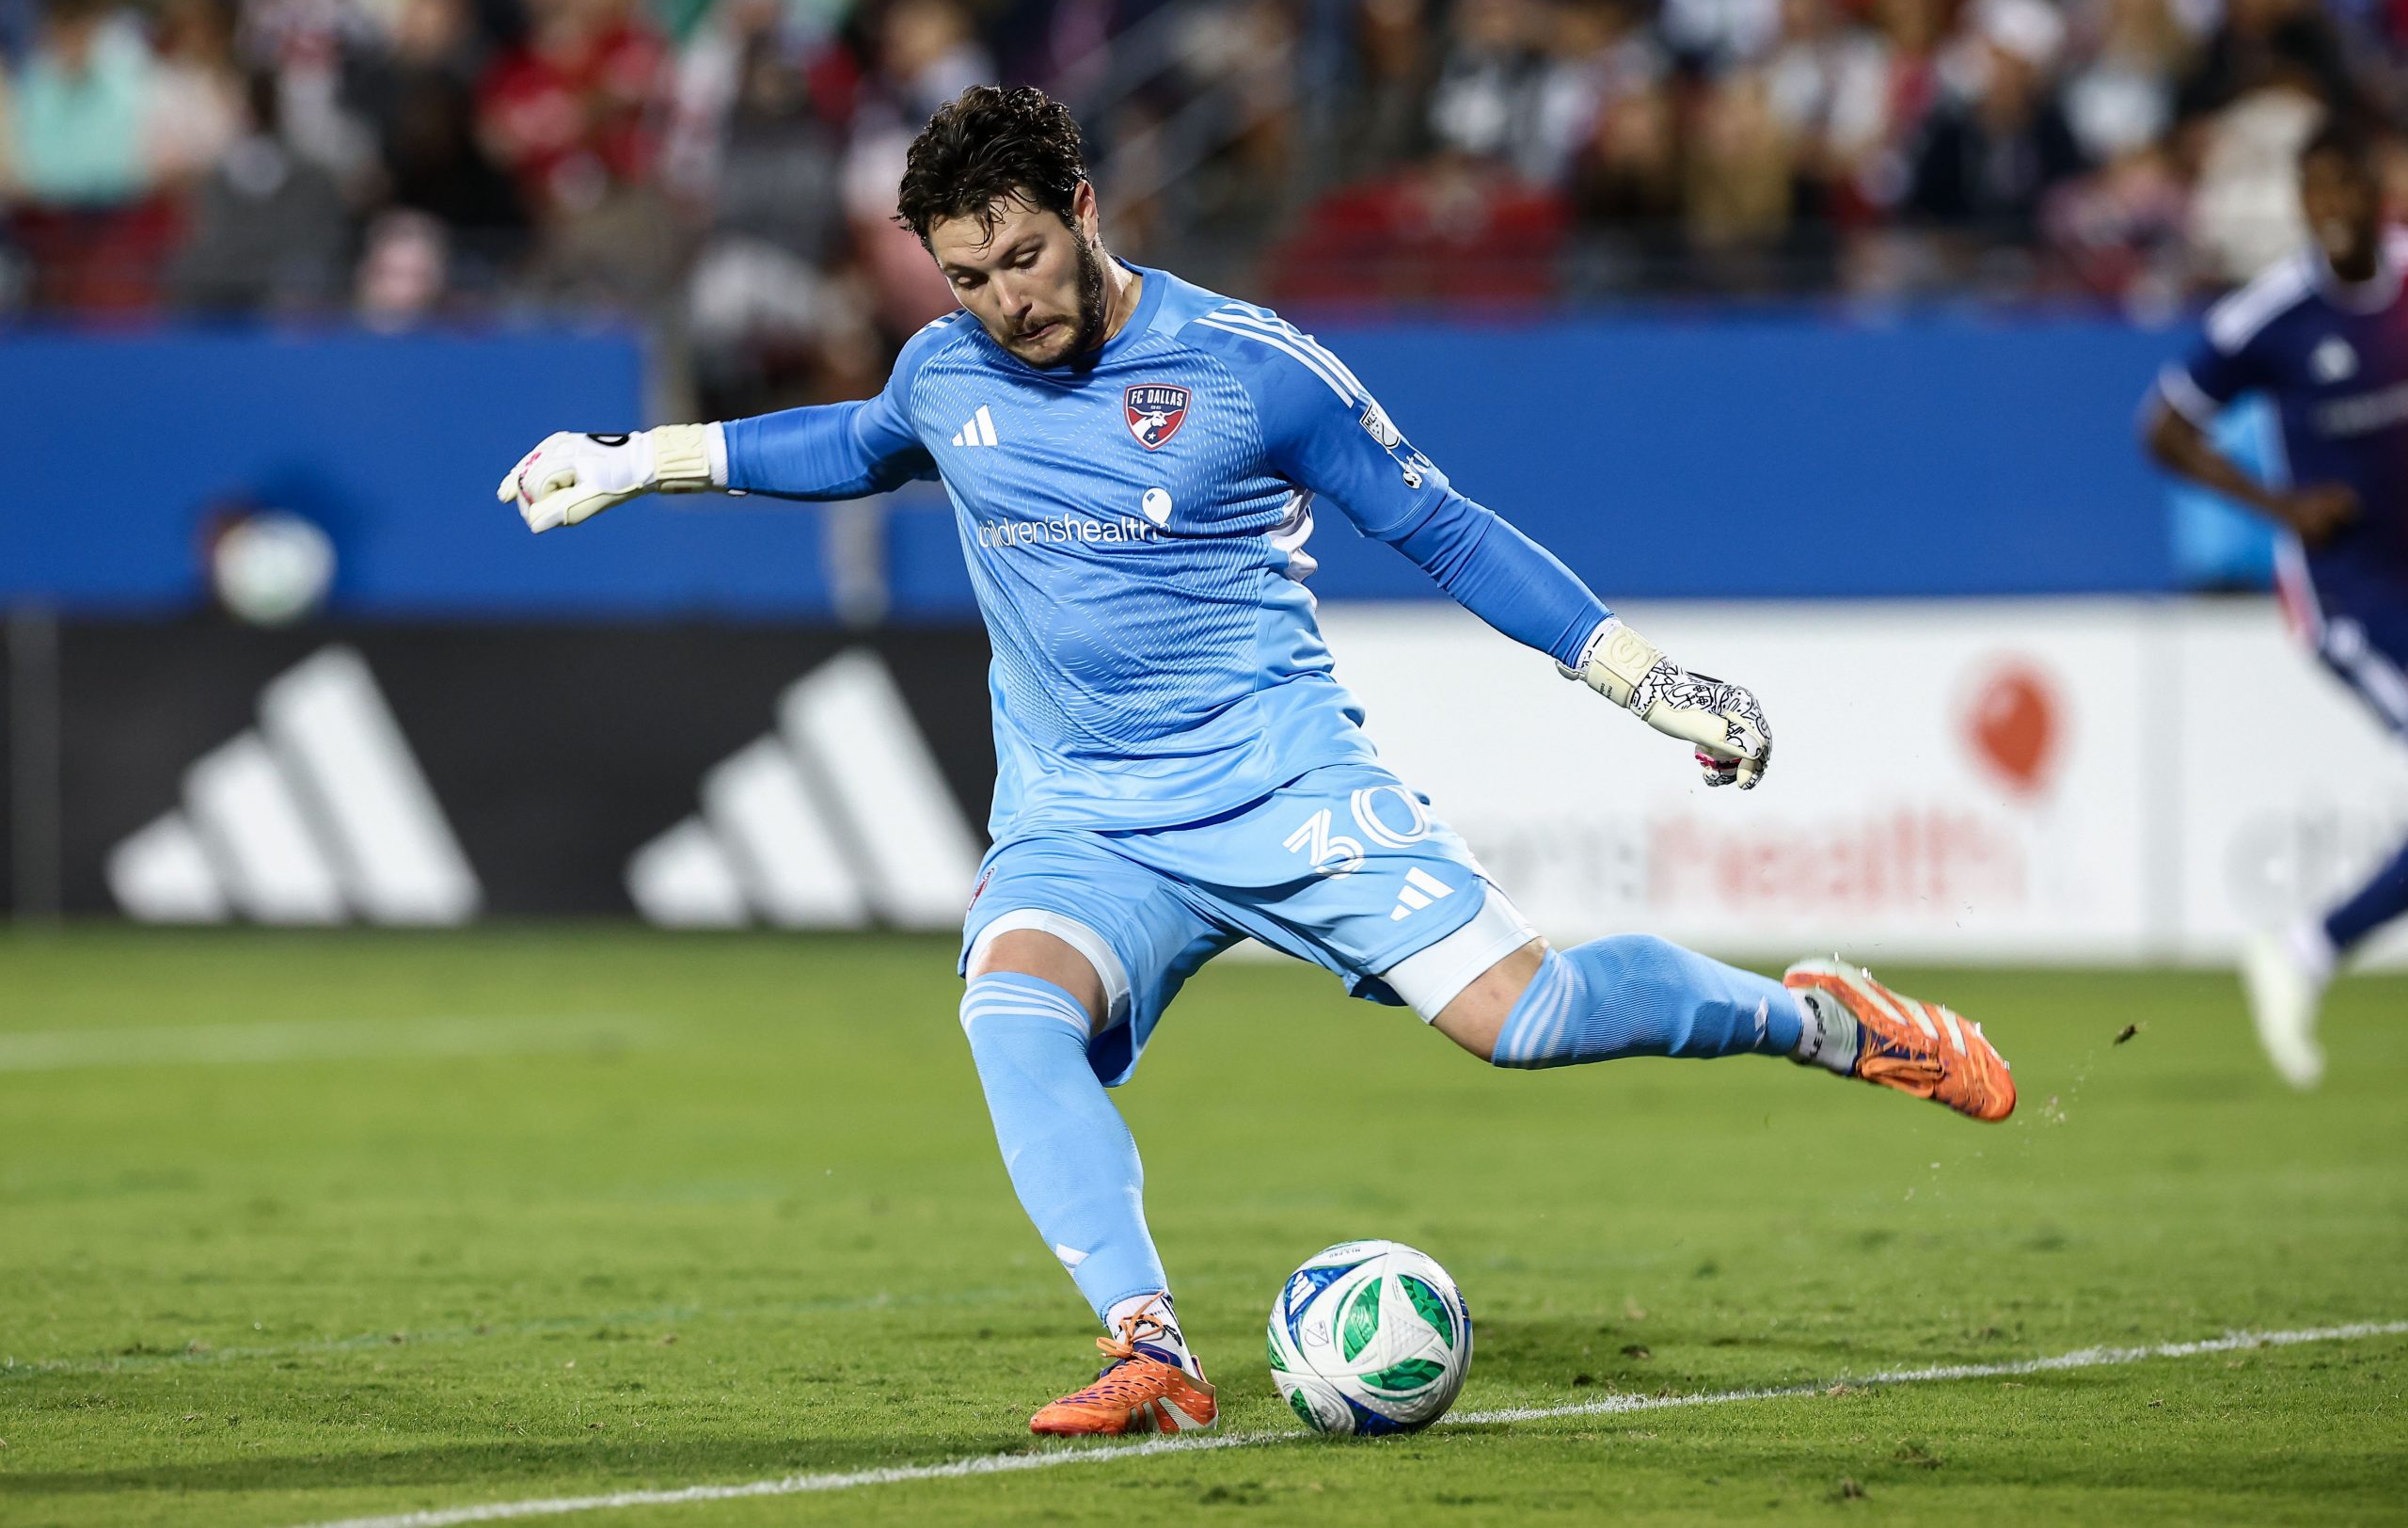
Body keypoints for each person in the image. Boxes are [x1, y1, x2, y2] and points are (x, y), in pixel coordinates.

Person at [500, 84, 2017, 1439]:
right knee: (1010, 1008)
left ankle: (1817, 1017)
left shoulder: (1249, 369)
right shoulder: (945, 371)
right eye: (966, 277)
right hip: (1083, 813)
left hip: (1280, 784)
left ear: (1085, 212)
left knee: (1527, 1017)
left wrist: (1640, 675)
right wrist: (640, 461)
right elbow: (852, 439)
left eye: (1022, 258)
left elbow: (1445, 525)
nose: (1004, 303)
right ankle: (1149, 1344)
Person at [2143, 117, 2406, 1091]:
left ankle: (2303, 948)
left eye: (2345, 186)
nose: (2330, 209)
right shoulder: (2271, 317)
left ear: (2378, 187)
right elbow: (2161, 427)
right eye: (2313, 193)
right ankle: (2306, 946)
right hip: (2347, 594)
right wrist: (2278, 507)